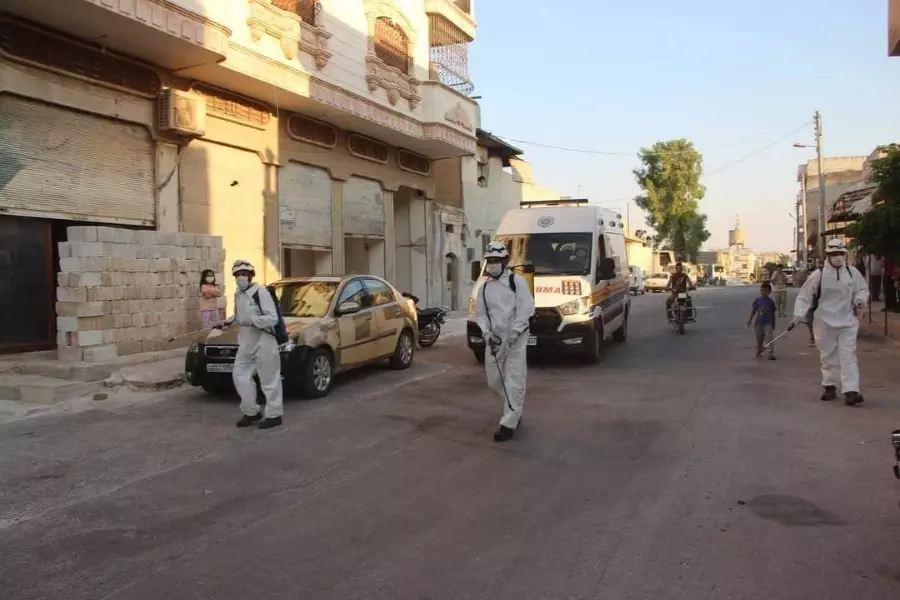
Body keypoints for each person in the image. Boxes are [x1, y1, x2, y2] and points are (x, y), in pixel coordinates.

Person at [791, 239, 869, 405]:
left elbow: (862, 289)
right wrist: (798, 315)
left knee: (848, 355)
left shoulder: (852, 272)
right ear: (828, 255)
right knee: (828, 356)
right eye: (834, 254)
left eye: (840, 254)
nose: (838, 257)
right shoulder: (818, 275)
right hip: (824, 322)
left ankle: (851, 390)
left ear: (845, 254)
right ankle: (829, 385)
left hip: (847, 321)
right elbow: (804, 296)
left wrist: (860, 299)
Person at [474, 241, 535, 442]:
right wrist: (486, 334)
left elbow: (526, 309)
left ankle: (509, 422)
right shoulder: (484, 288)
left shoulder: (517, 282)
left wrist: (515, 333)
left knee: (514, 379)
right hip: (495, 340)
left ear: (505, 261)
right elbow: (481, 315)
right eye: (489, 261)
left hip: (515, 339)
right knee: (494, 381)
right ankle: (514, 407)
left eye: (496, 260)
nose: (492, 264)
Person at [221, 259, 284, 429]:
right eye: (237, 274)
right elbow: (238, 316)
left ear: (250, 276)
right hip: (247, 340)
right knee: (239, 374)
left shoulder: (261, 292)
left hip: (265, 339)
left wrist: (253, 320)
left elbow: (273, 318)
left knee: (269, 378)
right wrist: (227, 322)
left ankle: (274, 415)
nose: (240, 277)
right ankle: (251, 411)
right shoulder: (238, 294)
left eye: (244, 274)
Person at [748, 282, 777, 360]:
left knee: (769, 338)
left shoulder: (771, 302)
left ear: (769, 292)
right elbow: (753, 311)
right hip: (758, 323)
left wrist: (773, 323)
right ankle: (759, 350)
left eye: (765, 291)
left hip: (768, 323)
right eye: (762, 290)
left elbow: (773, 314)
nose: (763, 292)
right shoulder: (757, 300)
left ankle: (770, 353)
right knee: (759, 338)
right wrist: (750, 320)